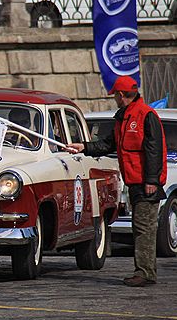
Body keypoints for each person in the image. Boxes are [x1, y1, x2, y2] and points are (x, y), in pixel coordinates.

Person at [66, 75, 167, 287]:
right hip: (135, 182)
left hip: (145, 183)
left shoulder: (146, 115)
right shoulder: (124, 117)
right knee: (141, 226)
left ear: (121, 95)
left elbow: (154, 151)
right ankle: (145, 271)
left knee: (144, 228)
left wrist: (151, 180)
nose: (115, 99)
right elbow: (109, 144)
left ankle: (145, 273)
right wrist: (84, 147)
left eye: (115, 96)